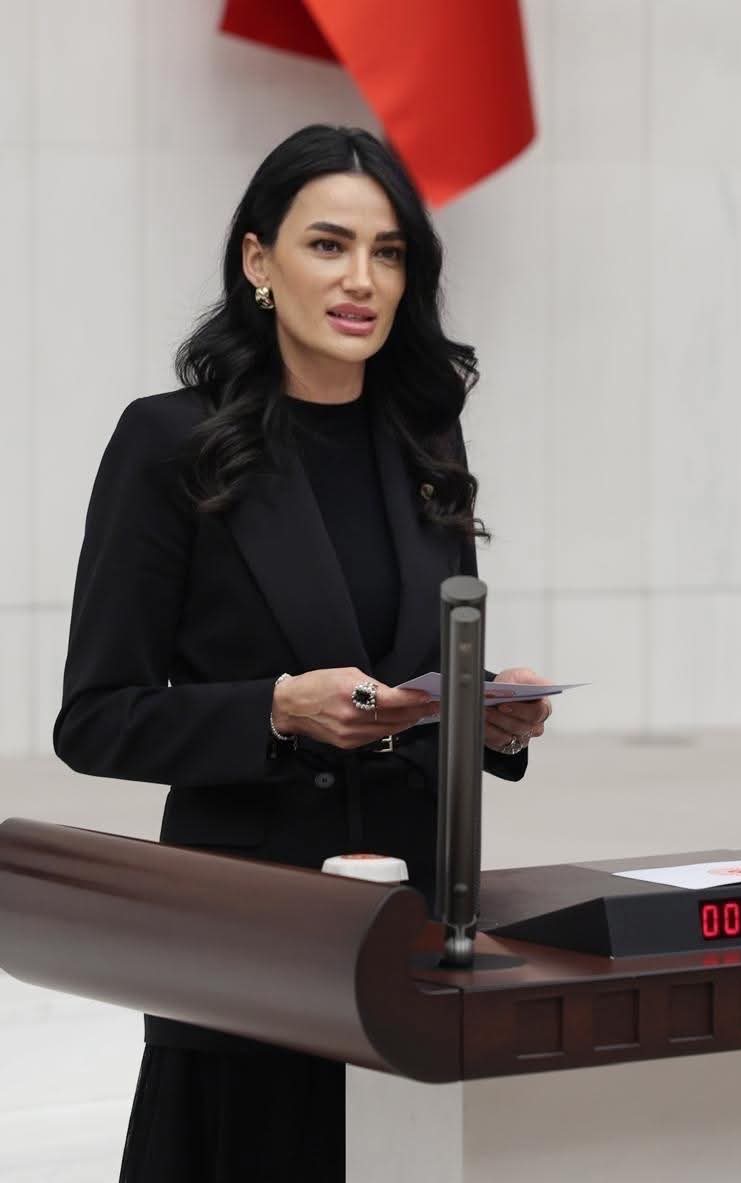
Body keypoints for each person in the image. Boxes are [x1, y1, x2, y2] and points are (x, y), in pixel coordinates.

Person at [52, 124, 553, 1182]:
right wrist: (275, 711)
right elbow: (95, 717)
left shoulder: (427, 440)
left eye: (388, 252)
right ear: (258, 260)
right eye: (329, 244)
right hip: (248, 947)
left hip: (416, 937)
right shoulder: (169, 442)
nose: (362, 279)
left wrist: (485, 715)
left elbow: (411, 675)